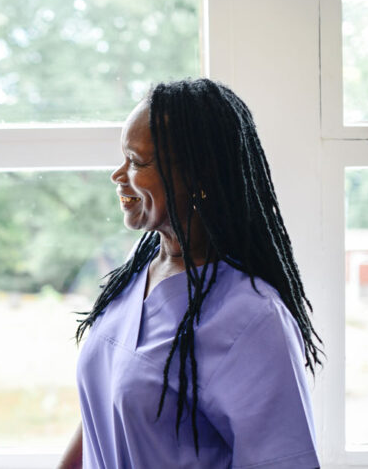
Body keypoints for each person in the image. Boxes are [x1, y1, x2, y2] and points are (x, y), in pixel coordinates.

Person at [59, 79, 322, 468]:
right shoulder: (141, 265)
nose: (118, 175)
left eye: (137, 162)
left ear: (198, 175)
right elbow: (103, 409)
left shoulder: (252, 318)